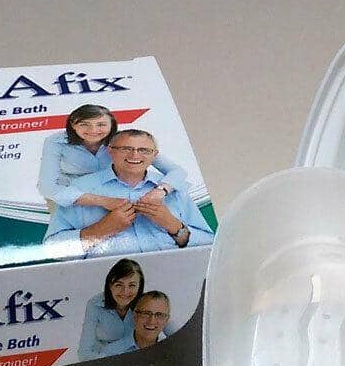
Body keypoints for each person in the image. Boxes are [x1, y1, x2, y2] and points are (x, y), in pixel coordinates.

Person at [43, 129, 215, 258]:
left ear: (154, 155)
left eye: (144, 150)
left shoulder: (175, 190)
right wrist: (101, 229)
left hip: (173, 276)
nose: (134, 155)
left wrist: (174, 225)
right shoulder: (80, 189)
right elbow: (52, 250)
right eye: (126, 148)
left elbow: (209, 243)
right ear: (110, 151)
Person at [37, 104, 189, 210]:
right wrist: (102, 201)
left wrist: (161, 190)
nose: (93, 130)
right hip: (71, 193)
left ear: (112, 125)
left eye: (101, 124)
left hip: (113, 190)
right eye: (84, 124)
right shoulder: (55, 142)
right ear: (72, 125)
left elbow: (177, 171)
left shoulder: (123, 140)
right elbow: (47, 187)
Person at [78, 258, 145, 360]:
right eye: (119, 285)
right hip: (103, 359)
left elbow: (170, 331)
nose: (125, 291)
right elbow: (84, 353)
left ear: (139, 286)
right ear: (110, 285)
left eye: (132, 285)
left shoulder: (147, 302)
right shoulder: (95, 304)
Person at [101, 291, 172, 355]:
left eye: (159, 315)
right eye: (146, 313)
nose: (151, 321)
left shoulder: (171, 352)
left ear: (166, 320)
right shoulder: (111, 353)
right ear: (135, 316)